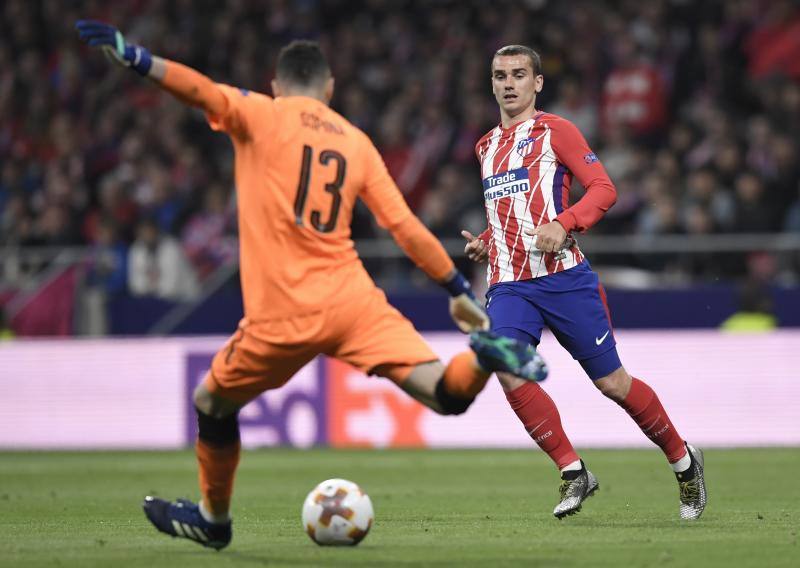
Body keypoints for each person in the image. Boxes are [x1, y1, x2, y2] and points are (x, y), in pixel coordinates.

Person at [75, 21, 547, 550]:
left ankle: (214, 518)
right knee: (445, 394)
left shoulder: (259, 112)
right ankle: (483, 357)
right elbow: (404, 226)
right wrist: (457, 286)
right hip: (352, 303)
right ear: (329, 88)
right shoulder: (356, 141)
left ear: (277, 86)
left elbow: (198, 89)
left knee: (211, 403)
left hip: (281, 315)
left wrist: (137, 57)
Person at [461, 45, 707, 520]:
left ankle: (683, 461)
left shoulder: (558, 131)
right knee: (508, 368)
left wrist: (566, 222)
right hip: (509, 284)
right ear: (491, 83)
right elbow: (511, 210)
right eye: (499, 75)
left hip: (564, 280)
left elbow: (604, 188)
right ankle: (574, 472)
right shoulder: (484, 146)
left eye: (518, 74)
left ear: (538, 83)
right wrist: (489, 241)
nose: (508, 83)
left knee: (613, 384)